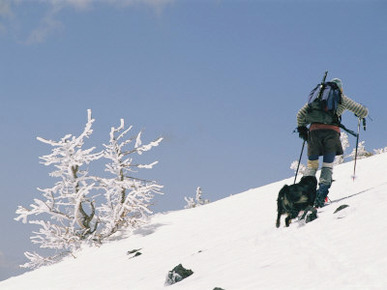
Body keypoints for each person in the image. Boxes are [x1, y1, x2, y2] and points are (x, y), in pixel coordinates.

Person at [296, 78, 368, 207]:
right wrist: (362, 112)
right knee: (327, 165)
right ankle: (321, 195)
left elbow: (300, 115)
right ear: (339, 88)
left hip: (314, 133)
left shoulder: (316, 99)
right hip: (331, 134)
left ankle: (304, 195)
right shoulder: (341, 98)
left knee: (312, 165)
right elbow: (362, 111)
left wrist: (302, 129)